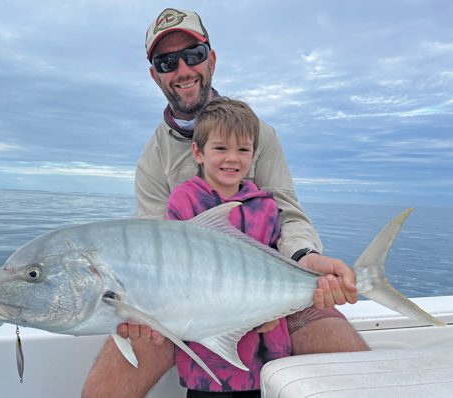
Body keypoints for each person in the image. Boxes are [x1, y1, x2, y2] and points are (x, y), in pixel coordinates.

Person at [82, 8, 368, 398]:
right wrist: (136, 305)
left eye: (194, 55)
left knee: (362, 377)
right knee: (103, 392)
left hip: (277, 288)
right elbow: (151, 246)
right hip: (179, 306)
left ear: (211, 59)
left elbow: (287, 211)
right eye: (167, 62)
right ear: (155, 75)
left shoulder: (258, 133)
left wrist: (304, 257)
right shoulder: (153, 159)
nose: (183, 69)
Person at [166, 96, 291, 396]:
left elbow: (277, 267)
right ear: (198, 152)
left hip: (263, 354)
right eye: (220, 148)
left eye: (243, 150)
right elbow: (174, 272)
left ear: (253, 154)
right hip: (207, 361)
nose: (232, 159)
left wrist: (276, 310)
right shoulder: (183, 202)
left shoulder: (265, 206)